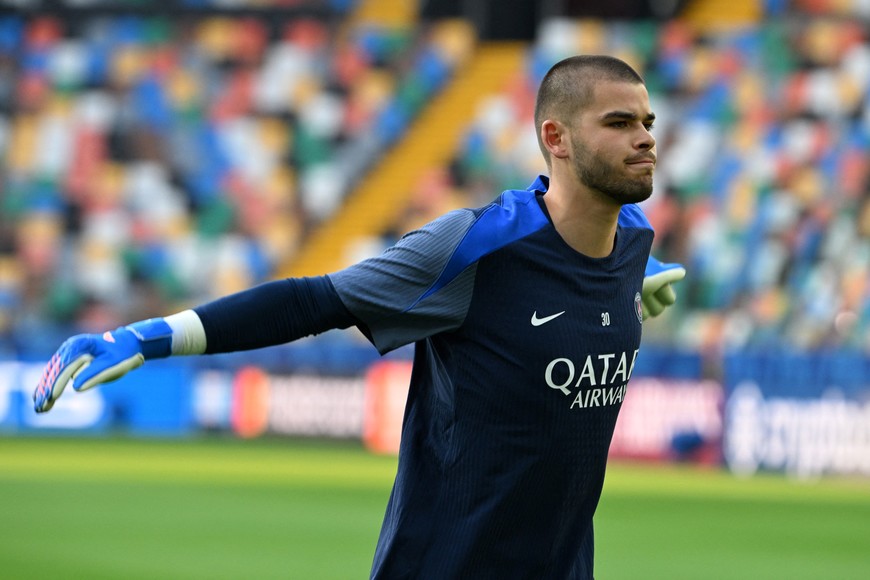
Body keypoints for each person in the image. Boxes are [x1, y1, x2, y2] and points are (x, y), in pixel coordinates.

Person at [34, 55, 685, 579]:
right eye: (621, 122)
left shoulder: (630, 235)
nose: (646, 137)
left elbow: (603, 260)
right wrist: (147, 337)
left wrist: (639, 281)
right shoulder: (472, 247)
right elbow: (314, 300)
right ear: (556, 138)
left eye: (648, 121)